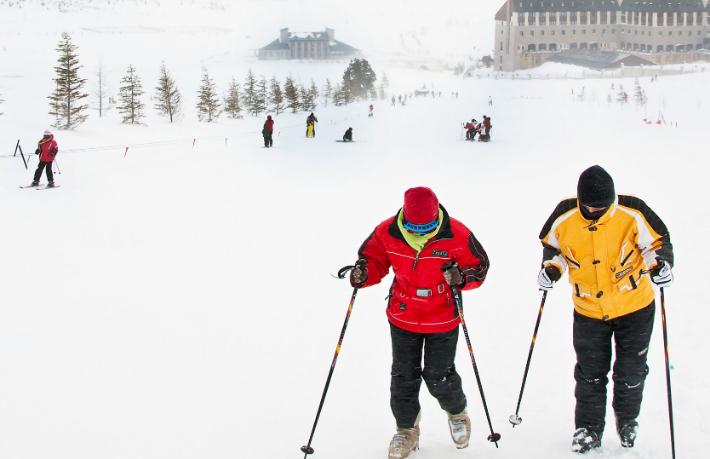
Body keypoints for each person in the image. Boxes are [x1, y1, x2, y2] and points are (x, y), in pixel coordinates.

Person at [538, 165, 674, 454]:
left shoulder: (632, 211)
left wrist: (660, 265)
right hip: (588, 310)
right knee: (590, 373)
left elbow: (657, 244)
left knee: (631, 372)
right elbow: (555, 250)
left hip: (635, 307)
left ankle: (627, 421)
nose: (595, 210)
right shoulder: (564, 216)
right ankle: (587, 429)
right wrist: (551, 270)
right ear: (579, 200)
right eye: (589, 206)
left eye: (602, 206)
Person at [350, 187, 490, 459]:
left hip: (442, 316)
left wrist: (461, 277)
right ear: (404, 218)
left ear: (437, 217)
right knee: (403, 375)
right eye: (414, 227)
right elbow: (373, 260)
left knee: (439, 375)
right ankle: (406, 430)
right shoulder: (387, 231)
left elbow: (480, 266)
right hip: (403, 314)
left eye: (427, 226)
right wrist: (363, 273)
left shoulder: (456, 234)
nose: (420, 232)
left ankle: (457, 413)